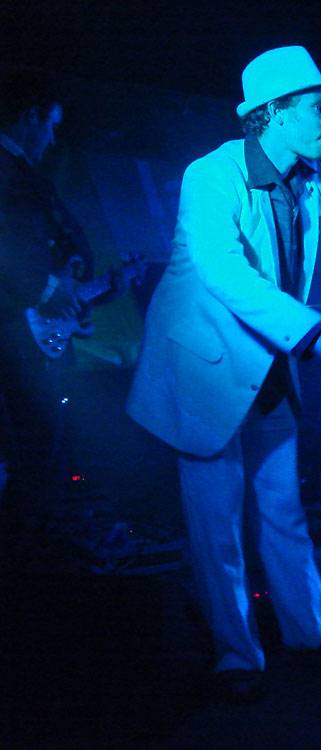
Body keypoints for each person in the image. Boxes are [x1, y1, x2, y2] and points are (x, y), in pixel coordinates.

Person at [126, 46, 321, 699]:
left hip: (267, 365)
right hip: (206, 370)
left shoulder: (313, 178)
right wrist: (317, 334)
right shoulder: (211, 175)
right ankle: (237, 656)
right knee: (215, 526)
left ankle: (313, 633)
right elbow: (223, 271)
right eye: (317, 108)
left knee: (283, 508)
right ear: (273, 113)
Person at [0, 70, 120, 544]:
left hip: (30, 326)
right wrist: (47, 284)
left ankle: (38, 541)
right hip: (12, 324)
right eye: (50, 125)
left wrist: (72, 272)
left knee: (44, 438)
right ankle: (27, 551)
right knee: (35, 438)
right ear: (30, 116)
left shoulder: (26, 174)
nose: (53, 138)